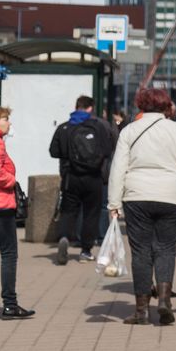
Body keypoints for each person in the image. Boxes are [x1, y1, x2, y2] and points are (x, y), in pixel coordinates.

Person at [108, 87, 176, 325]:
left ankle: (140, 311)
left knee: (140, 252)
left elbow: (118, 168)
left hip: (137, 196)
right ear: (166, 106)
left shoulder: (129, 131)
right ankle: (165, 301)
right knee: (166, 248)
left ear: (141, 106)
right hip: (171, 196)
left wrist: (114, 203)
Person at [49, 95, 117, 264]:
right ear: (90, 108)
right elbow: (108, 150)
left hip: (70, 177)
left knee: (69, 211)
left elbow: (53, 151)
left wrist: (69, 156)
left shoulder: (64, 128)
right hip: (93, 177)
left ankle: (64, 237)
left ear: (76, 106)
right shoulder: (98, 127)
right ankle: (85, 251)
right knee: (91, 214)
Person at [0, 108, 34, 319]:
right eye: (5, 119)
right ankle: (10, 304)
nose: (9, 123)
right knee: (9, 255)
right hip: (2, 207)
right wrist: (12, 181)